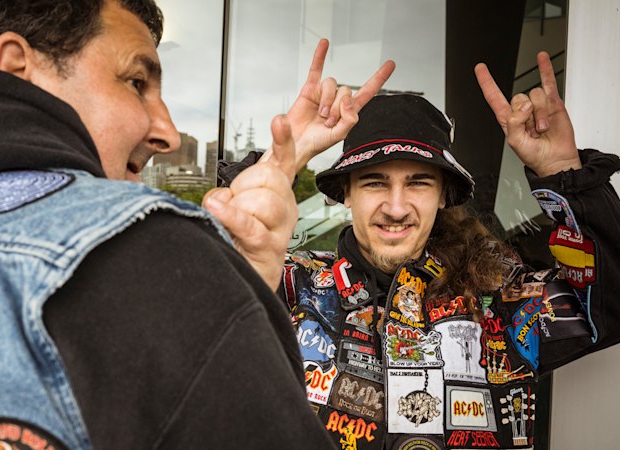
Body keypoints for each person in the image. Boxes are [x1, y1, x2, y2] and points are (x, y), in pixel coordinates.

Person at [0, 0, 397, 449]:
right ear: (17, 71)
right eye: (136, 82)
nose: (167, 132)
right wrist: (220, 290)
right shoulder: (146, 258)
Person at [218, 51, 620, 450]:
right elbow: (192, 311)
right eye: (375, 183)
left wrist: (565, 173)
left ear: (445, 195)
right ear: (346, 194)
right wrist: (280, 165)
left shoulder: (497, 300)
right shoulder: (289, 288)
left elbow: (609, 306)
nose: (396, 207)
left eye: (418, 183)